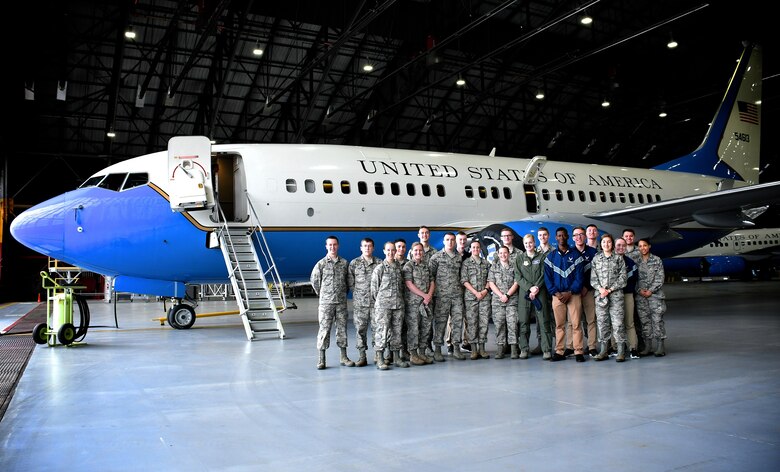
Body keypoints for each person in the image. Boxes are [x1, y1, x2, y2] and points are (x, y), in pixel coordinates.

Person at [310, 236, 353, 370]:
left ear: (338, 246)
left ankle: (343, 356)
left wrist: (341, 294)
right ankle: (321, 359)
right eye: (330, 245)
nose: (332, 247)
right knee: (324, 330)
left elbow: (348, 282)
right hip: (326, 303)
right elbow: (315, 282)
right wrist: (324, 295)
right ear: (326, 246)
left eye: (334, 245)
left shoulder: (344, 263)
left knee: (342, 329)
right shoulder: (321, 264)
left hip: (340, 302)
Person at [544, 227, 586, 362]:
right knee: (559, 325)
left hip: (573, 295)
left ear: (567, 237)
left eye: (563, 235)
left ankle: (578, 351)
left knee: (576, 324)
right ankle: (559, 351)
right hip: (557, 296)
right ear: (555, 238)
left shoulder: (576, 256)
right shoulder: (550, 257)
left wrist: (570, 292)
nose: (561, 237)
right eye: (559, 236)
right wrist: (556, 293)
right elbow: (547, 278)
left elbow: (580, 278)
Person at [590, 234, 628, 362]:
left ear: (612, 244)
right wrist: (601, 289)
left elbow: (623, 278)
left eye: (609, 242)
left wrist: (610, 289)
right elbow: (593, 278)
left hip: (616, 296)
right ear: (601, 244)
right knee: (602, 323)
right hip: (600, 296)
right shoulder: (596, 259)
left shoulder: (618, 259)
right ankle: (603, 350)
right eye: (604, 242)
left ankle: (621, 351)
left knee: (618, 324)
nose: (606, 244)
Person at [429, 233, 466, 361]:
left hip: (457, 296)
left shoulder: (459, 258)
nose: (450, 242)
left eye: (452, 240)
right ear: (444, 241)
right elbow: (431, 277)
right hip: (441, 296)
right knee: (440, 323)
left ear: (455, 242)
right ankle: (438, 349)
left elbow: (462, 276)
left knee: (457, 323)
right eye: (447, 240)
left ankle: (456, 348)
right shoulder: (436, 257)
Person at [370, 241, 407, 369]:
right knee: (382, 331)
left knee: (397, 331)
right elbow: (374, 290)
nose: (391, 252)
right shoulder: (379, 268)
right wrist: (382, 301)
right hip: (384, 306)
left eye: (393, 250)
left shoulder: (399, 268)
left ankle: (396, 357)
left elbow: (402, 286)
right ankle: (380, 358)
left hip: (398, 305)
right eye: (388, 250)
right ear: (384, 251)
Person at [515, 233, 551, 360]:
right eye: (526, 243)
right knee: (524, 322)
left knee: (544, 321)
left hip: (540, 293)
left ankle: (546, 349)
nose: (528, 245)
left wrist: (536, 288)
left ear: (534, 243)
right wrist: (529, 288)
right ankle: (524, 349)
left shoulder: (541, 257)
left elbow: (544, 274)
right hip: (524, 294)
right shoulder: (519, 258)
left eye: (530, 242)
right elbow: (518, 276)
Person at [347, 237, 382, 367]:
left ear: (373, 248)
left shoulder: (379, 262)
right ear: (361, 248)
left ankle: (378, 356)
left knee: (377, 329)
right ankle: (362, 356)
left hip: (376, 304)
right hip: (360, 304)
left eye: (369, 246)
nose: (367, 248)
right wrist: (358, 294)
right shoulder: (354, 263)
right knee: (360, 330)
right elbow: (350, 282)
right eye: (365, 246)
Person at [402, 242, 435, 365]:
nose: (418, 253)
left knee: (425, 328)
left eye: (420, 250)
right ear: (411, 252)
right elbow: (409, 284)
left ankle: (422, 353)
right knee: (414, 329)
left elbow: (432, 282)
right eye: (416, 250)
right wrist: (424, 295)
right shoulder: (408, 266)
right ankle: (413, 354)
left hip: (426, 303)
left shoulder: (426, 266)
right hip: (414, 304)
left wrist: (429, 295)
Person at [635, 238, 668, 357]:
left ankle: (660, 346)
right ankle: (648, 346)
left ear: (649, 246)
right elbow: (633, 279)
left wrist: (650, 291)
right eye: (640, 246)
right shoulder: (636, 261)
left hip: (655, 296)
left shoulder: (656, 260)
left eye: (645, 245)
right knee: (645, 322)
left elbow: (660, 277)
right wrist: (639, 290)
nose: (642, 248)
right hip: (641, 297)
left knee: (657, 321)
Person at [461, 240, 491, 359]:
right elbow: (464, 280)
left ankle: (482, 349)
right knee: (472, 324)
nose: (475, 249)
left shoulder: (486, 263)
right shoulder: (466, 263)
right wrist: (475, 293)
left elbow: (491, 280)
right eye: (473, 247)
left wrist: (484, 291)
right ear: (470, 249)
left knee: (484, 323)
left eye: (477, 247)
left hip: (484, 297)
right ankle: (474, 349)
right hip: (471, 298)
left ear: (480, 249)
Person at [488, 246, 519, 359]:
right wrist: (501, 295)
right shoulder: (493, 267)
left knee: (512, 324)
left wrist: (507, 295)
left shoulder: (514, 267)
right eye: (501, 253)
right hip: (497, 301)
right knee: (499, 325)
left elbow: (516, 282)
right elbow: (491, 283)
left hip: (511, 300)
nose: (503, 255)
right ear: (498, 254)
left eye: (505, 253)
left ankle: (514, 349)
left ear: (508, 254)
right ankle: (500, 348)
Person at [573, 226, 599, 357]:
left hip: (588, 291)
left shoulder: (593, 252)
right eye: (576, 235)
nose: (579, 237)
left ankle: (592, 346)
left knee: (591, 320)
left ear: (585, 236)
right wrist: (577, 288)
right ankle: (574, 347)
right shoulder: (570, 253)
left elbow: (596, 273)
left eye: (581, 234)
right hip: (574, 293)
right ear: (573, 238)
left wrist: (586, 287)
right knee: (574, 321)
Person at [446, 231, 472, 353]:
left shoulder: (469, 256)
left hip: (467, 291)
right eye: (460, 240)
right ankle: (450, 342)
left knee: (468, 317)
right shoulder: (451, 254)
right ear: (456, 241)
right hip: (454, 291)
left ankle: (466, 342)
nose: (462, 242)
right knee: (453, 318)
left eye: (464, 240)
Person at [615, 237, 640, 359]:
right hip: (613, 296)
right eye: (618, 245)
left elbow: (633, 278)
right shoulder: (608, 261)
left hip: (626, 294)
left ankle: (633, 348)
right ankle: (615, 347)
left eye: (623, 246)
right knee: (615, 323)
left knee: (629, 322)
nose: (620, 248)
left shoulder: (630, 263)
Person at [530, 226, 553, 355]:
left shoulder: (553, 251)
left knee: (554, 319)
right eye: (540, 235)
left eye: (544, 235)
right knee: (540, 319)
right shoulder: (534, 251)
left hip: (551, 290)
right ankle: (541, 344)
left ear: (548, 236)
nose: (542, 237)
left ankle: (556, 345)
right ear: (537, 237)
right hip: (539, 290)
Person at [394, 238, 409, 362]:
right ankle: (391, 353)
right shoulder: (388, 263)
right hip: (392, 301)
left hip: (407, 300)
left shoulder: (409, 264)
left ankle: (404, 351)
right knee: (392, 328)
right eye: (399, 247)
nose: (401, 249)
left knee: (405, 327)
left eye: (403, 247)